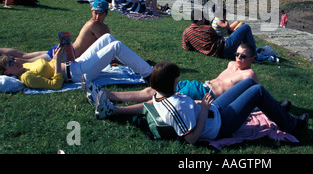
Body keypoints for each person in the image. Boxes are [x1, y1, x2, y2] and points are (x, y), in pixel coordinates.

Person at [86, 43, 261, 119]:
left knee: (158, 101)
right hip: (197, 85)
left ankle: (113, 110)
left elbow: (253, 96)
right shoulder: (231, 64)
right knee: (152, 90)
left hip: (205, 94)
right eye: (237, 54)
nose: (238, 58)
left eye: (243, 56)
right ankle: (103, 94)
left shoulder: (249, 75)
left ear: (252, 58)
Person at [150, 62, 309, 144]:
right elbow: (191, 139)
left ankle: (276, 111)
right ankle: (291, 125)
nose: (178, 80)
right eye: (176, 79)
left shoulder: (159, 94)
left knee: (248, 83)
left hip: (215, 111)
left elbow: (185, 105)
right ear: (168, 82)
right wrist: (204, 109)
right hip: (220, 126)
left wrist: (199, 103)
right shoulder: (176, 107)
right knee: (258, 90)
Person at [0, 33, 153, 90]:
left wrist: (56, 57)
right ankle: (150, 74)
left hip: (73, 63)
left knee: (106, 38)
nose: (14, 61)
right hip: (76, 73)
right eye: (10, 63)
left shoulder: (25, 65)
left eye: (12, 59)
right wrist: (58, 63)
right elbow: (55, 85)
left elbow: (49, 65)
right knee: (115, 46)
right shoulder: (27, 78)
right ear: (7, 72)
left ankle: (138, 65)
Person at [46, 0, 111, 60]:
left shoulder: (104, 27)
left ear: (106, 14)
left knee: (38, 56)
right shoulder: (93, 25)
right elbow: (108, 46)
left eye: (100, 14)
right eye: (95, 13)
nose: (97, 17)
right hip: (67, 55)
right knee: (38, 61)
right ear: (92, 12)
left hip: (68, 51)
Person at [182, 9, 256, 59]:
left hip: (220, 55)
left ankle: (247, 51)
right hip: (225, 47)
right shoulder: (207, 28)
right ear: (199, 20)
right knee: (245, 27)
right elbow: (220, 38)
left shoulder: (186, 32)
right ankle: (254, 54)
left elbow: (186, 47)